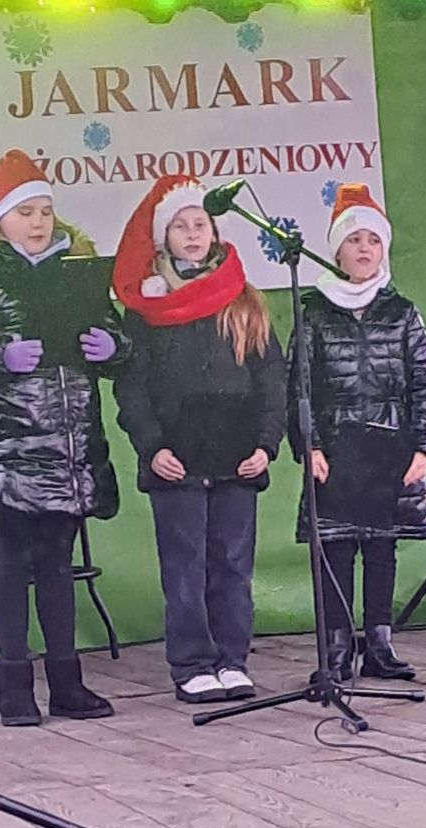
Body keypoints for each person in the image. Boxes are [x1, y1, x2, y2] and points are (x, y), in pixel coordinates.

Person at [0, 149, 126, 726]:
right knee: (9, 566)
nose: (38, 222)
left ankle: (67, 683)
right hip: (5, 450)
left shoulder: (77, 274)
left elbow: (114, 332)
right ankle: (13, 686)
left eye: (45, 211)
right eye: (25, 211)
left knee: (59, 567)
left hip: (67, 448)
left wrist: (113, 346)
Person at [112, 177, 286, 704]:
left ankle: (233, 660)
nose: (192, 233)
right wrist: (152, 447)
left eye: (200, 224)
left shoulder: (243, 300)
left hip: (237, 458)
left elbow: (271, 378)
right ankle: (192, 663)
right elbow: (132, 387)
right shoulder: (146, 309)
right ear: (163, 239)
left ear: (214, 233)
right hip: (177, 459)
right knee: (184, 566)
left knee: (232, 564)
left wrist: (266, 443)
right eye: (181, 226)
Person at [287, 183, 426, 683]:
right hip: (334, 450)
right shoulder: (312, 312)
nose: (365, 249)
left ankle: (379, 643)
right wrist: (307, 445)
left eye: (374, 241)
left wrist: (422, 448)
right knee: (334, 548)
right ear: (337, 251)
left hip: (388, 449)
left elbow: (424, 384)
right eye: (355, 241)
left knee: (380, 546)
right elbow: (298, 384)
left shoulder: (403, 313)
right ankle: (334, 649)